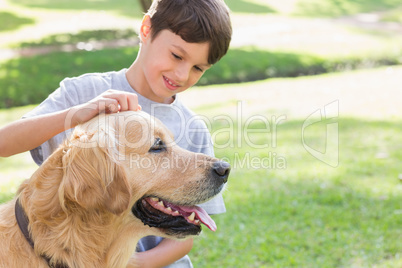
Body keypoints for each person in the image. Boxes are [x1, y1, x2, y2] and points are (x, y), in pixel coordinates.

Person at [0, 0, 232, 267]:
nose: (181, 74)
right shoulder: (84, 94)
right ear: (146, 29)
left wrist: (131, 264)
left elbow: (186, 233)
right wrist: (73, 115)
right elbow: (4, 143)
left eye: (198, 68)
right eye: (177, 56)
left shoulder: (193, 126)